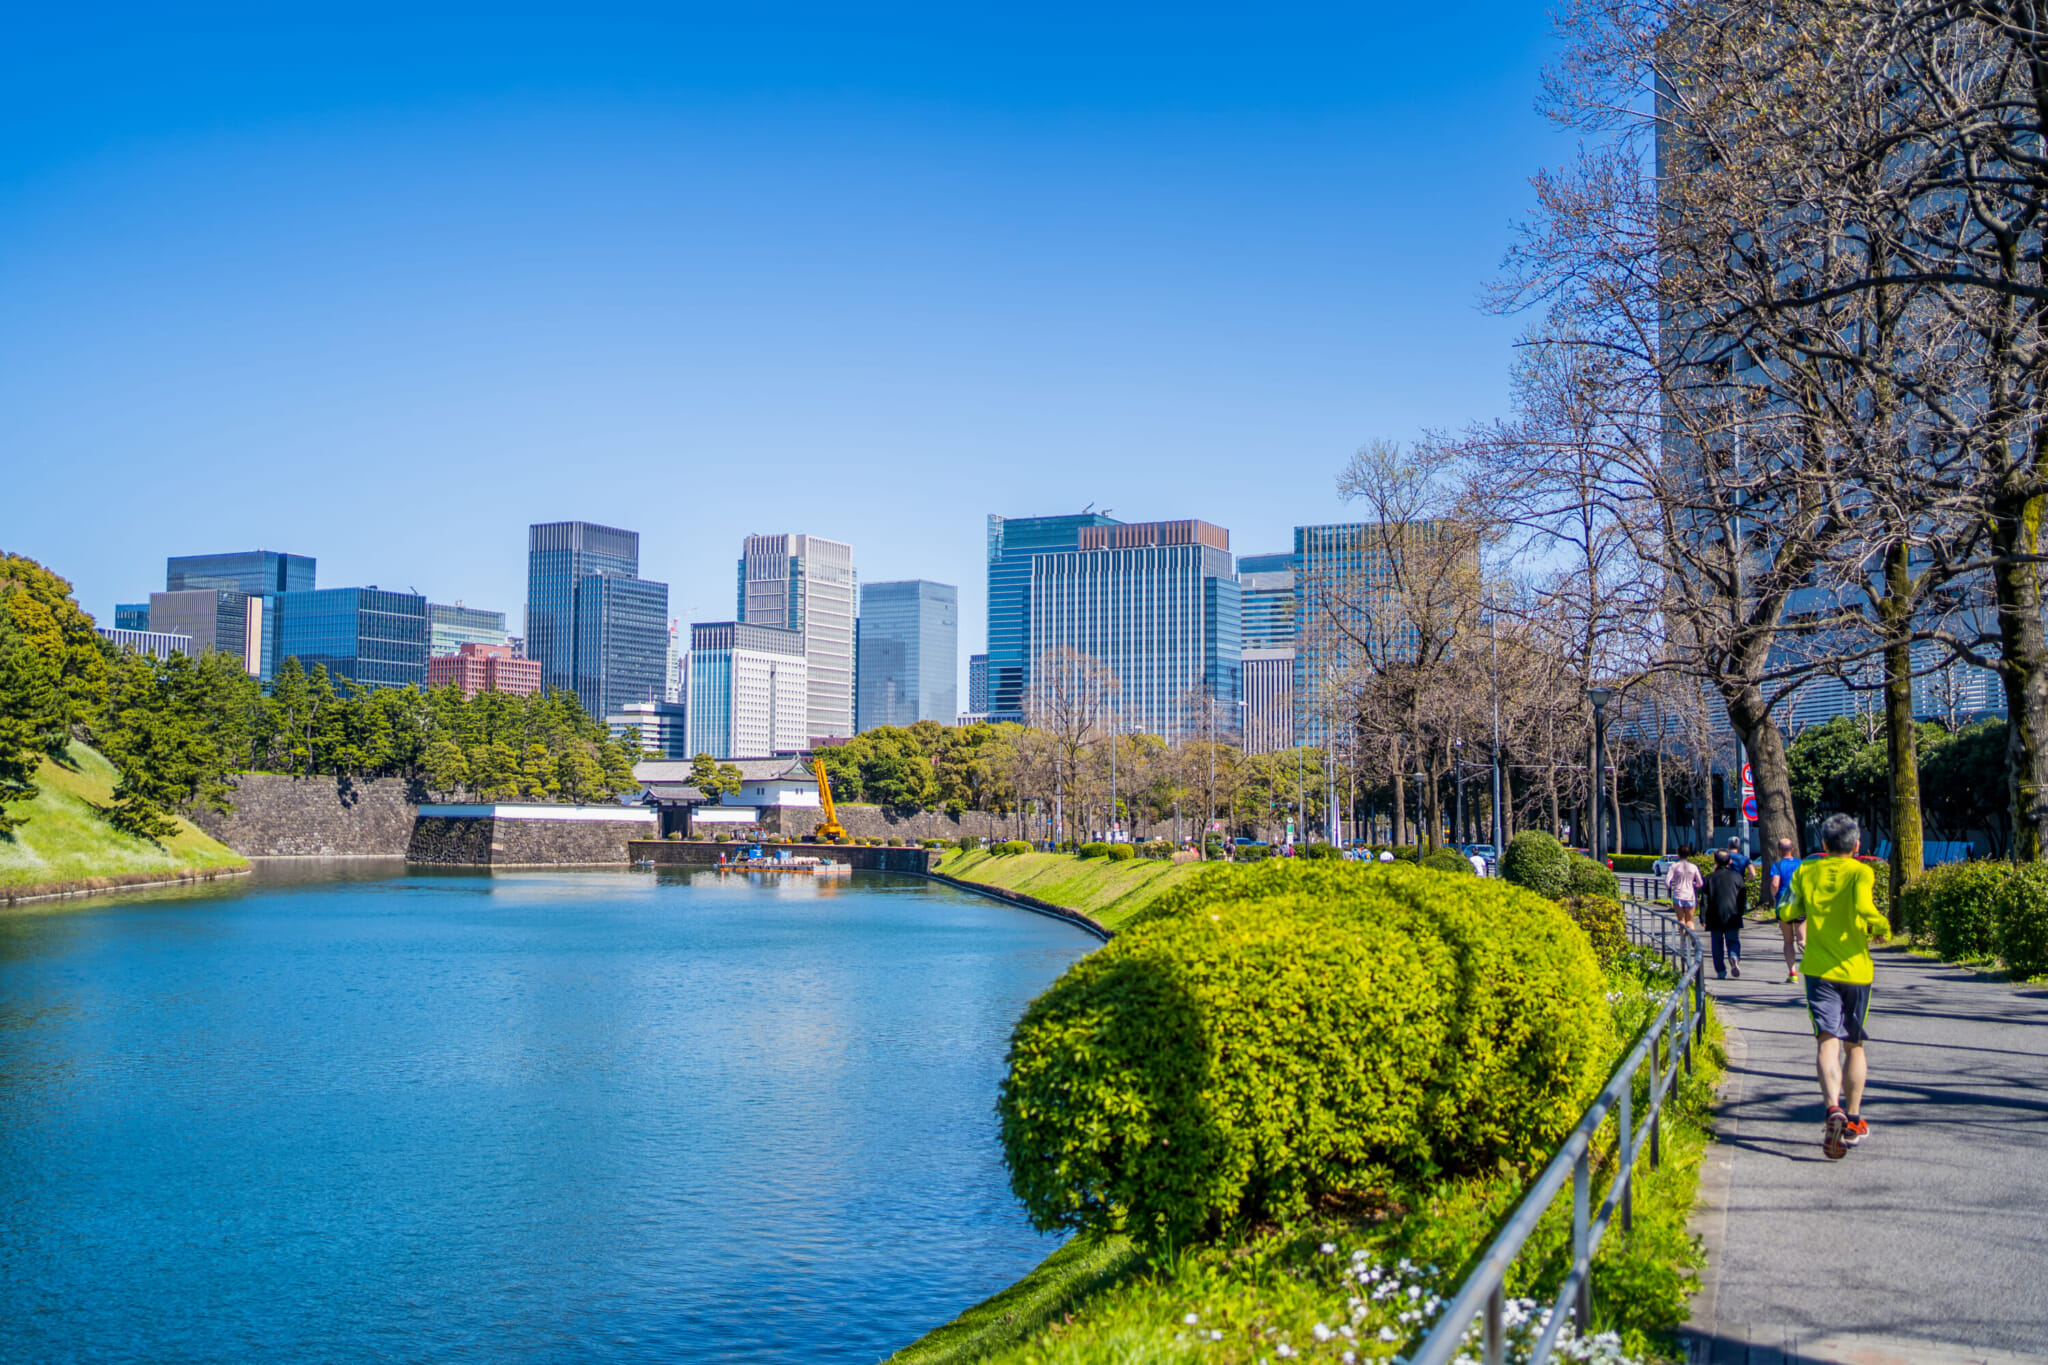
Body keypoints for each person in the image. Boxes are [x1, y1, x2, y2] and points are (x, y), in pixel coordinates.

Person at [1786, 813, 1891, 1159]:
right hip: (1856, 971)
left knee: (1827, 1041)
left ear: (1824, 844)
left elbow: (1787, 909)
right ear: (1857, 845)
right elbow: (1863, 907)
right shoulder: (1862, 872)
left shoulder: (1806, 871)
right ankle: (1854, 1119)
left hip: (1818, 970)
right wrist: (1880, 926)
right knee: (1854, 1045)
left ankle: (1833, 1108)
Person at [1768, 836, 1806, 984]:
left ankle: (1793, 973)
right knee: (1802, 939)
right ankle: (1811, 968)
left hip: (1784, 905)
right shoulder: (1801, 864)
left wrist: (1774, 896)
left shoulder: (1777, 865)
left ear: (1779, 850)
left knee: (1788, 941)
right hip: (1799, 904)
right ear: (1792, 849)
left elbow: (1775, 884)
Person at [1702, 849, 1746, 978]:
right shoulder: (1737, 877)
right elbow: (1742, 897)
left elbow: (1704, 900)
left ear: (1715, 861)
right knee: (1733, 940)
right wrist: (1740, 912)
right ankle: (1734, 955)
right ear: (1730, 861)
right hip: (1733, 913)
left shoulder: (1709, 878)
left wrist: (1703, 917)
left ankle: (1721, 971)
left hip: (1714, 915)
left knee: (1716, 944)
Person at [1666, 852, 1704, 931]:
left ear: (1678, 854)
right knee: (1690, 921)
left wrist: (1669, 887)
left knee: (1681, 921)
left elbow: (1667, 882)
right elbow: (1700, 883)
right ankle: (1692, 935)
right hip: (1690, 895)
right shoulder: (1693, 867)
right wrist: (1694, 884)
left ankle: (1683, 938)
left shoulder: (1674, 866)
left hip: (1678, 895)